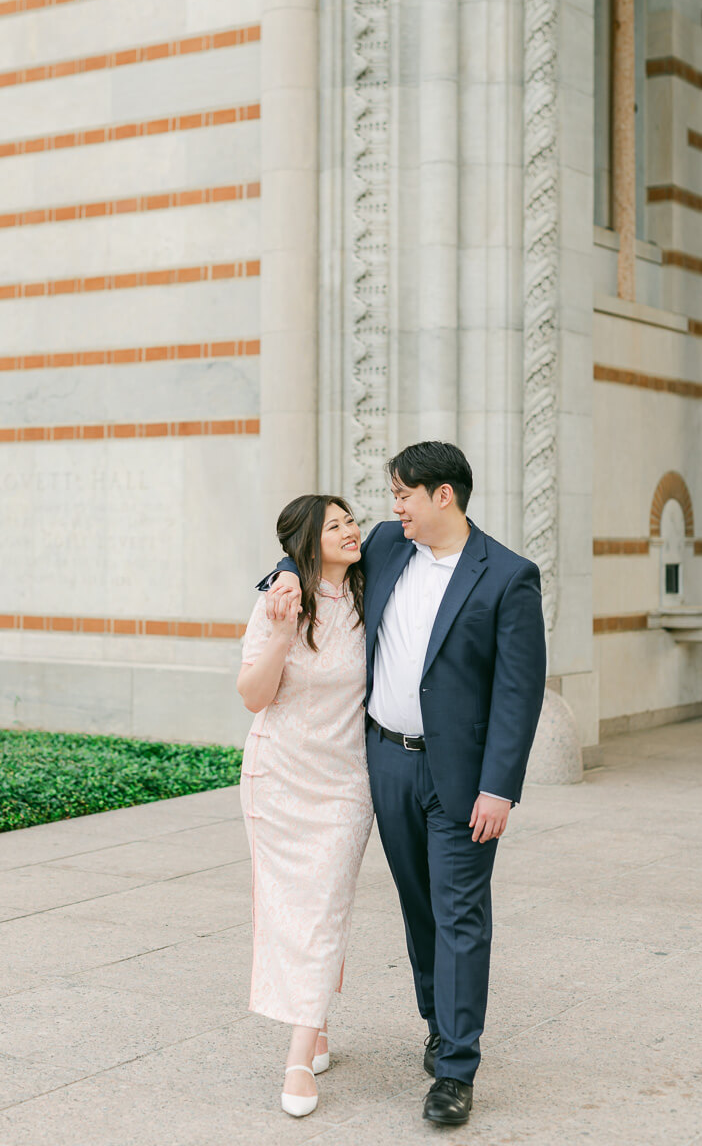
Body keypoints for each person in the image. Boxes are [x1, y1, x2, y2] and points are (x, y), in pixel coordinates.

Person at [263, 441, 546, 1126]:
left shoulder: (508, 576)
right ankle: (438, 1021)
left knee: (459, 915)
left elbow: (519, 691)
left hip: (463, 779)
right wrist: (282, 577)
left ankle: (455, 1069)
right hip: (384, 763)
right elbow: (306, 550)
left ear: (442, 494)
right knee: (421, 908)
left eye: (404, 495)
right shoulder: (389, 545)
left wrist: (499, 788)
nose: (392, 508)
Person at [237, 494, 374, 1119]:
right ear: (308, 541)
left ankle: (297, 1054)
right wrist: (285, 625)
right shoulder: (281, 601)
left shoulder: (375, 588)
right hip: (278, 775)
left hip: (346, 782)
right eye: (335, 525)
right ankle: (311, 1030)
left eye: (352, 521)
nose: (350, 531)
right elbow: (252, 695)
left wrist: (285, 565)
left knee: (325, 905)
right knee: (291, 907)